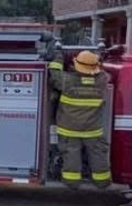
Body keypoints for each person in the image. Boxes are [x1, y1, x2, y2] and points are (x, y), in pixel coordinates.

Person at [48, 50, 112, 188]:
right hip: (93, 129)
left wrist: (59, 56)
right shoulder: (102, 80)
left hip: (69, 129)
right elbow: (104, 72)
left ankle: (72, 183)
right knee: (98, 154)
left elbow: (54, 73)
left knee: (71, 155)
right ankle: (102, 181)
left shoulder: (67, 81)